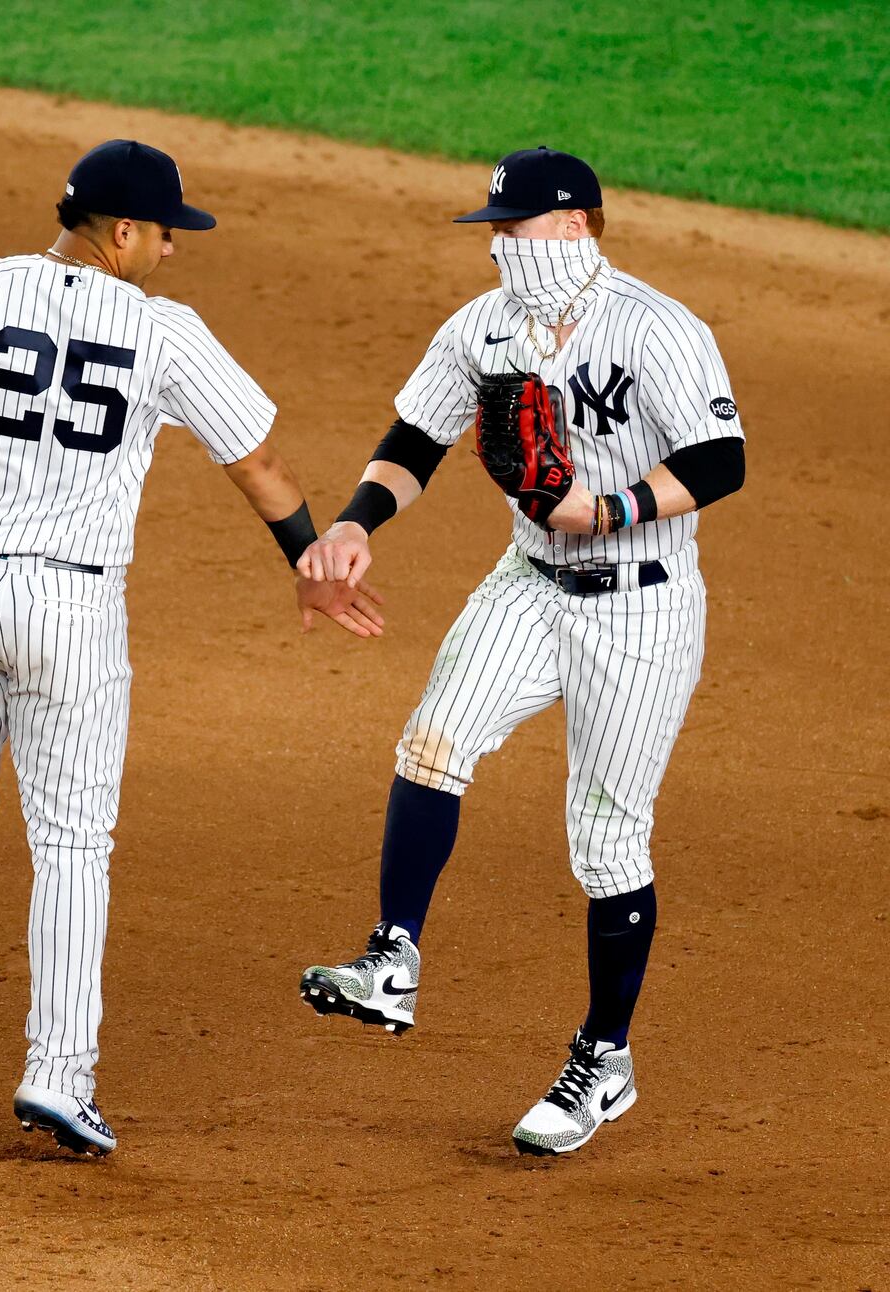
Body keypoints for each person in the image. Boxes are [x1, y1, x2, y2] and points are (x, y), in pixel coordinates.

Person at [0, 139, 382, 1157]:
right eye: (166, 233)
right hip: (69, 610)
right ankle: (58, 1077)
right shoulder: (166, 333)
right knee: (72, 840)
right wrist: (307, 559)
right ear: (123, 231)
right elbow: (255, 461)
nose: (171, 252)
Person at [297, 146, 745, 1156]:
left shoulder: (658, 327)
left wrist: (612, 507)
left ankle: (604, 1057)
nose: (501, 244)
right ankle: (393, 957)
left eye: (517, 226)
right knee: (433, 739)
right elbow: (415, 438)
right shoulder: (483, 328)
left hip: (642, 607)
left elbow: (723, 456)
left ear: (580, 222)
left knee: (605, 844)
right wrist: (362, 520)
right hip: (528, 581)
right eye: (492, 229)